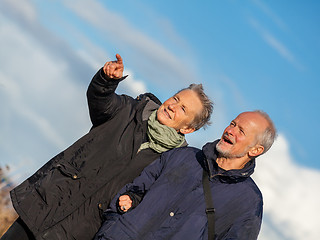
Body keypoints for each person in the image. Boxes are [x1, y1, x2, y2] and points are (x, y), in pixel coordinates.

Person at [3, 54, 213, 240]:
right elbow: (101, 102)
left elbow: (149, 200)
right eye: (176, 98)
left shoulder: (173, 162)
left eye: (183, 109)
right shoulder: (130, 109)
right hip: (46, 206)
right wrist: (106, 81)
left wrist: (132, 200)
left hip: (81, 231)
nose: (173, 106)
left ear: (188, 129)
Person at [94, 110, 277, 240]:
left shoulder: (249, 201)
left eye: (241, 131)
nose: (230, 130)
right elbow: (134, 190)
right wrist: (113, 228)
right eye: (232, 123)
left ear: (256, 150)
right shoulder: (183, 155)